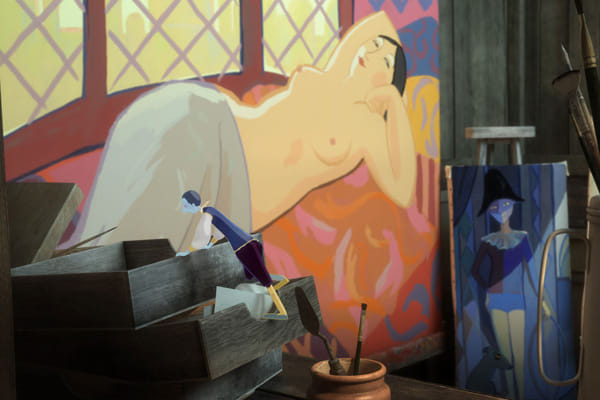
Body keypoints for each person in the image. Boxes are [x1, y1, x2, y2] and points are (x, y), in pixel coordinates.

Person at [65, 11, 416, 251]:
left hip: (233, 182)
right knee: (119, 236)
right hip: (213, 120)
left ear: (389, 85)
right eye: (374, 45)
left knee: (141, 254)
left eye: (385, 61)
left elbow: (402, 190)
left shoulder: (367, 124)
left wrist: (393, 101)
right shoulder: (329, 81)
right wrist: (380, 53)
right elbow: (375, 25)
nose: (372, 51)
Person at [471, 169, 553, 399]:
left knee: (518, 355)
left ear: (513, 205)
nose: (501, 210)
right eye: (495, 207)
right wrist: (489, 290)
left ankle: (520, 395)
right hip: (496, 301)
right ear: (489, 210)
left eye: (505, 204)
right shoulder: (488, 242)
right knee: (506, 357)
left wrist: (543, 303)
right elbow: (475, 271)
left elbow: (532, 274)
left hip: (516, 300)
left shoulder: (522, 238)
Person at [179, 190, 288, 320]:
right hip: (252, 243)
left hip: (244, 248)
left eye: (185, 205)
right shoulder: (210, 210)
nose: (184, 209)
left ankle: (282, 312)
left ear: (192, 204)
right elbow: (221, 230)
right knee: (254, 273)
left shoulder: (206, 215)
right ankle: (280, 282)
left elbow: (202, 236)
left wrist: (189, 250)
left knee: (264, 280)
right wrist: (211, 244)